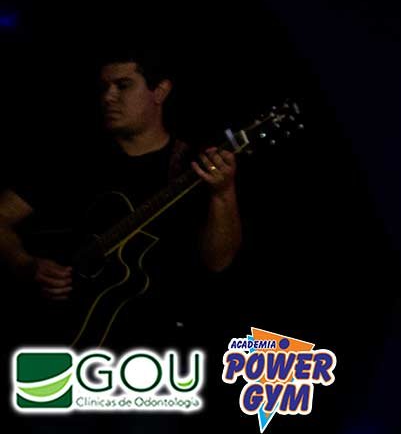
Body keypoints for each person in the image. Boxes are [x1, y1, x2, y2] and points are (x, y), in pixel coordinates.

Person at [0, 46, 243, 350]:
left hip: (158, 347)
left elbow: (218, 261)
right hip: (62, 341)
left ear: (160, 91)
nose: (108, 97)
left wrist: (223, 193)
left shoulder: (190, 167)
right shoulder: (72, 160)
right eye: (104, 87)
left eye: (123, 85)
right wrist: (25, 264)